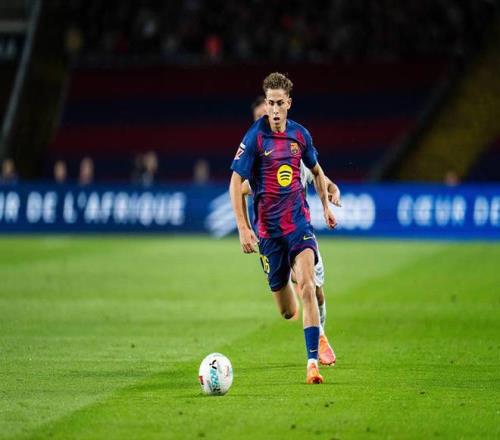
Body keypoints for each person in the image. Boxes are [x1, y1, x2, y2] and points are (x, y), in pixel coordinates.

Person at [229, 72, 337, 384]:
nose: (274, 110)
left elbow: (317, 171)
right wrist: (243, 228)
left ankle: (312, 363)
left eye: (279, 103)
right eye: (270, 103)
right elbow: (235, 183)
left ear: (288, 103)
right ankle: (290, 280)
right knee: (288, 310)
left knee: (308, 286)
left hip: (298, 225)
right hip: (269, 234)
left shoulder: (300, 135)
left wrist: (327, 206)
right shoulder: (255, 137)